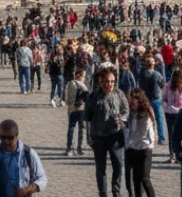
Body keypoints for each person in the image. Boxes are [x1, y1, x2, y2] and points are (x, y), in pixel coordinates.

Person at [85, 67, 129, 197]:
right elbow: (87, 117)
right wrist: (89, 138)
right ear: (100, 81)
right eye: (106, 81)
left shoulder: (119, 93)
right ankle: (103, 193)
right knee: (100, 169)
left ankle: (116, 192)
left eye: (112, 81)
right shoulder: (94, 96)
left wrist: (123, 119)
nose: (109, 84)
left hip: (116, 136)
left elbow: (126, 110)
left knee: (118, 166)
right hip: (99, 137)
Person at [0, 118, 47, 197]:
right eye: (2, 137)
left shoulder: (28, 153)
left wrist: (28, 189)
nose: (6, 141)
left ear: (17, 135)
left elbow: (42, 178)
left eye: (10, 138)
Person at [123, 90, 157, 197]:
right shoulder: (130, 113)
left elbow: (151, 129)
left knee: (145, 178)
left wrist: (151, 143)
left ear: (140, 101)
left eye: (135, 101)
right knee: (136, 180)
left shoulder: (146, 112)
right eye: (131, 101)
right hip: (133, 149)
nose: (133, 103)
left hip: (145, 148)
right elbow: (128, 130)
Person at [163, 70, 182, 161]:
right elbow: (164, 99)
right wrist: (167, 108)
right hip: (170, 113)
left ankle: (180, 154)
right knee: (171, 135)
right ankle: (172, 155)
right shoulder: (167, 86)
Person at [65, 67, 89, 157]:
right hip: (81, 109)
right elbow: (87, 97)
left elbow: (67, 98)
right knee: (80, 129)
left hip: (72, 109)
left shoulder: (70, 84)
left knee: (72, 128)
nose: (84, 78)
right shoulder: (82, 85)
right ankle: (79, 148)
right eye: (83, 76)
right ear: (78, 75)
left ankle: (70, 148)